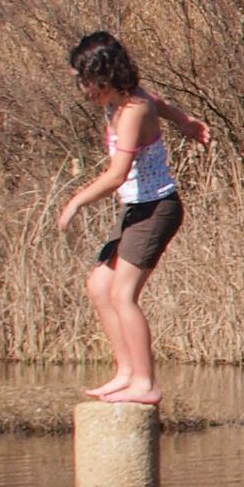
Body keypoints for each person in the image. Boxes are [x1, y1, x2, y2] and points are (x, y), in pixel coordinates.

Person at [49, 31, 212, 405]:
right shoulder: (122, 102)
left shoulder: (133, 110)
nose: (82, 89)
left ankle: (145, 382)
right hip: (136, 210)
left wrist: (75, 202)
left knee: (123, 295)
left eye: (85, 80)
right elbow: (161, 103)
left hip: (156, 209)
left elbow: (117, 175)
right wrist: (185, 121)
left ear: (104, 76)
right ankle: (125, 372)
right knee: (99, 286)